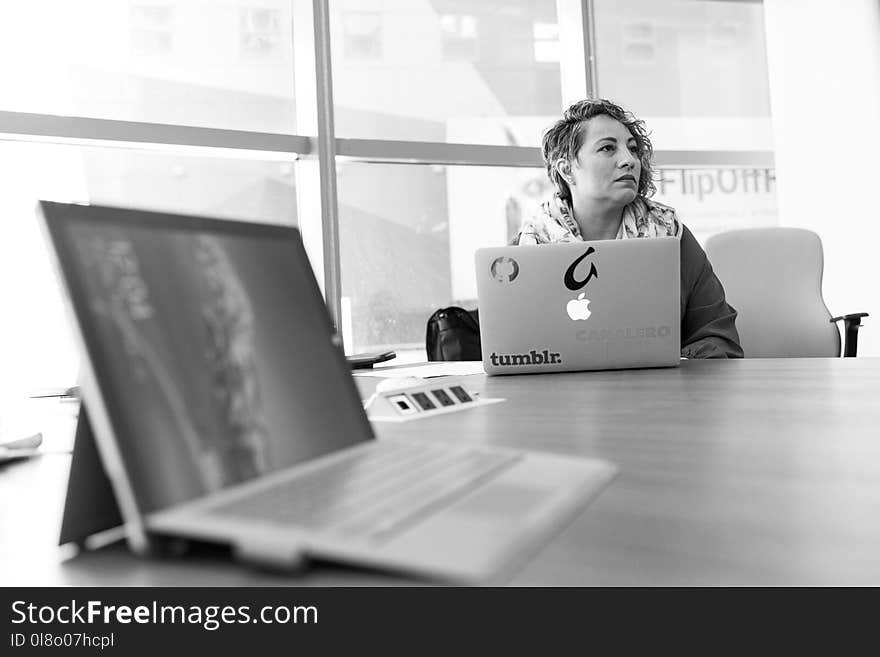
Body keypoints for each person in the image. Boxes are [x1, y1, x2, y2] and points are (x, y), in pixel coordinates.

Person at [515, 98, 743, 359]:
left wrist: (672, 366)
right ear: (566, 169)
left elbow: (718, 337)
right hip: (563, 395)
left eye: (633, 149)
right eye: (608, 148)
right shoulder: (531, 243)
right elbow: (514, 345)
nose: (629, 160)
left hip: (659, 393)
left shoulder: (671, 233)